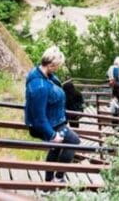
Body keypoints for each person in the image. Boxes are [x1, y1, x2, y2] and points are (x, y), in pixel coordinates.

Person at [25, 46, 81, 182]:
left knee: (56, 148)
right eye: (57, 66)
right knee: (74, 141)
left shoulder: (44, 75)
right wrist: (51, 135)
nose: (58, 69)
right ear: (51, 65)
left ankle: (48, 182)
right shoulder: (39, 86)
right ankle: (58, 177)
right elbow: (39, 118)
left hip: (55, 120)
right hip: (51, 124)